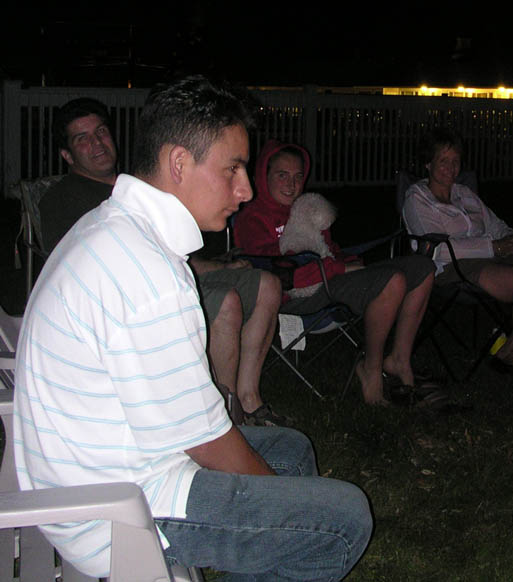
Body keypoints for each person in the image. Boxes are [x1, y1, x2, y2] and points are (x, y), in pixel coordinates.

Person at [14, 76, 372, 581]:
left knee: (291, 450)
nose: (245, 190)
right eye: (233, 169)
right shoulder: (146, 270)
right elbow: (206, 442)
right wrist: (282, 509)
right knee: (342, 519)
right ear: (178, 163)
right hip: (115, 511)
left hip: (105, 464)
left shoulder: (117, 228)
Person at [38, 97, 289, 426]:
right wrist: (213, 269)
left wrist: (217, 266)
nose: (96, 143)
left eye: (100, 132)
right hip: (136, 297)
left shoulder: (141, 184)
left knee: (267, 284)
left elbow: (172, 249)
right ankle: (225, 416)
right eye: (82, 138)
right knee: (227, 301)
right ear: (67, 155)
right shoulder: (67, 201)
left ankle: (247, 395)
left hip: (184, 271)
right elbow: (111, 273)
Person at [234, 140, 438, 406]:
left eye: (298, 177)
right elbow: (278, 272)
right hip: (298, 294)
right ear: (264, 175)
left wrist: (347, 260)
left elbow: (327, 250)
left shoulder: (306, 209)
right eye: (282, 175)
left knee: (422, 268)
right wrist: (339, 267)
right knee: (393, 280)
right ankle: (371, 370)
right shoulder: (253, 219)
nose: (291, 184)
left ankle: (399, 358)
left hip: (329, 277)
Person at [402, 128, 513, 384]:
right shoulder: (417, 199)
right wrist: (493, 248)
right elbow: (436, 248)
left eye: (455, 161)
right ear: (428, 163)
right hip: (453, 267)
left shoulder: (464, 194)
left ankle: (510, 348)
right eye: (443, 161)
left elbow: (496, 226)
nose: (451, 167)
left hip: (493, 257)